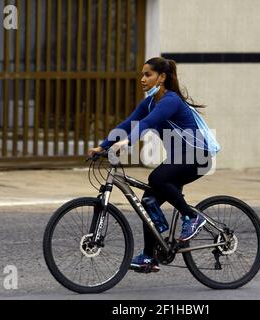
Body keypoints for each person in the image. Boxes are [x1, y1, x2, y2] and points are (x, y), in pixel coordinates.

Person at [87, 57, 217, 273]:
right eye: (142, 74)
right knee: (149, 201)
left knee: (157, 178)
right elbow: (127, 123)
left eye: (148, 75)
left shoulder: (170, 101)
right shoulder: (149, 102)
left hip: (197, 156)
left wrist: (128, 141)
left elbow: (147, 123)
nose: (142, 79)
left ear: (162, 77)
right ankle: (149, 257)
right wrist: (102, 147)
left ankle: (192, 217)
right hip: (178, 159)